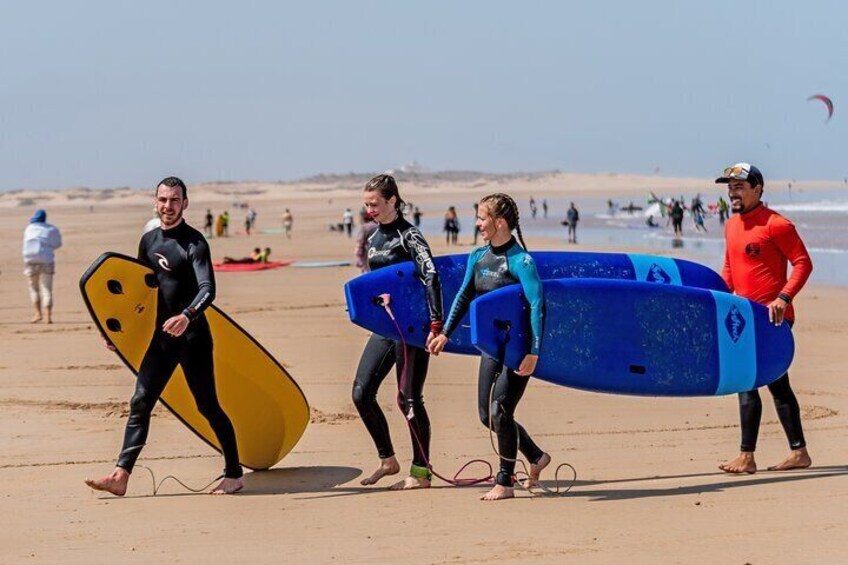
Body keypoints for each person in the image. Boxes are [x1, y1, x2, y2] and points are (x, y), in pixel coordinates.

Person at [85, 176, 243, 496]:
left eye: (174, 200)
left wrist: (187, 316)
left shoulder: (194, 243)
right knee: (140, 401)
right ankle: (120, 475)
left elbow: (207, 289)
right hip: (161, 340)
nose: (167, 206)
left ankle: (234, 473)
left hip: (193, 339)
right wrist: (120, 333)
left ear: (185, 203)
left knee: (207, 406)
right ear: (154, 202)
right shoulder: (149, 241)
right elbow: (139, 292)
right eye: (162, 200)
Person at [429, 193, 550, 501]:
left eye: (482, 218)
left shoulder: (522, 262)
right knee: (488, 416)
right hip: (491, 348)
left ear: (500, 222)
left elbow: (537, 305)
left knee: (501, 409)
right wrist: (445, 332)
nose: (478, 224)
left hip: (518, 349)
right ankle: (535, 457)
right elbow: (463, 296)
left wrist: (534, 351)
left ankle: (505, 481)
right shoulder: (478, 257)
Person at [714, 163, 813, 475]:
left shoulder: (776, 225)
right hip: (742, 319)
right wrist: (716, 301)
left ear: (757, 189)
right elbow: (730, 270)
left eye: (739, 186)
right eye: (730, 187)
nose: (733, 192)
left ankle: (747, 456)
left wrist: (783, 298)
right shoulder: (731, 225)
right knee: (776, 385)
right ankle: (798, 452)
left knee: (750, 382)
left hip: (773, 319)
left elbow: (802, 262)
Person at [353, 174, 443, 491]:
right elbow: (374, 285)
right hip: (385, 328)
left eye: (374, 204)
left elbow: (431, 276)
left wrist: (436, 324)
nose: (369, 209)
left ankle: (421, 472)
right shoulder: (376, 238)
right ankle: (388, 460)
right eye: (366, 204)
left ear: (392, 201)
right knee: (361, 393)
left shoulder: (410, 236)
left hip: (412, 330)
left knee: (409, 400)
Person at [22, 209, 62, 324]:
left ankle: (38, 313)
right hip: (46, 260)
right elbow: (57, 244)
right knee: (46, 289)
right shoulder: (51, 228)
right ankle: (48, 316)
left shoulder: (29, 228)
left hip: (30, 260)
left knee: (34, 288)